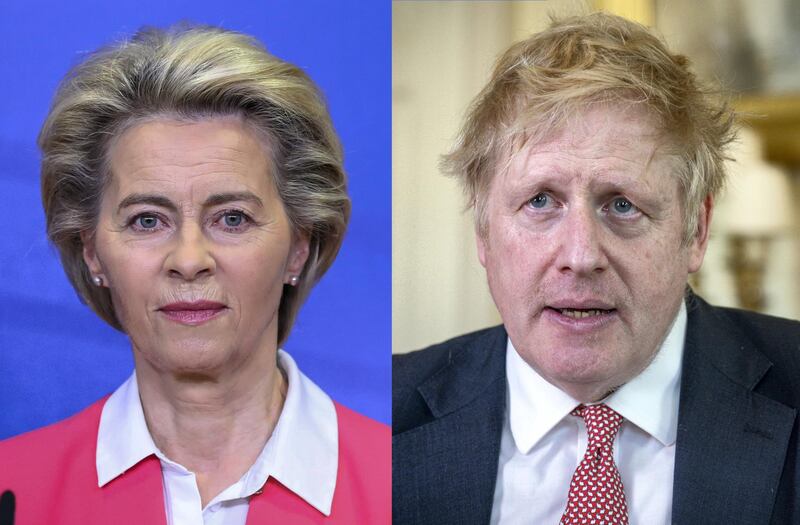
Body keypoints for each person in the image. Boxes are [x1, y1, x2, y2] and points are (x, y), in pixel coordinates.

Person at [393, 12, 800, 525]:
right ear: (483, 231)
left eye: (623, 205)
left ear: (695, 230)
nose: (582, 256)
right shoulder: (379, 417)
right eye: (540, 201)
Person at [0, 24, 389, 524]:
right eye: (147, 220)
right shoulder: (12, 489)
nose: (188, 259)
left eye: (232, 218)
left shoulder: (403, 481)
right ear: (91, 251)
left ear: (299, 246)